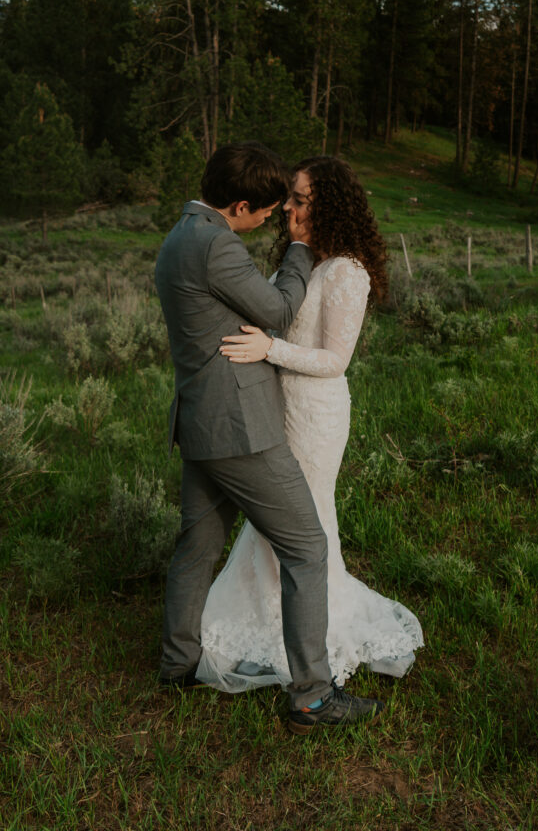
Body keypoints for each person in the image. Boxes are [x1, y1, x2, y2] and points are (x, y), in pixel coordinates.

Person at [154, 142, 383, 734]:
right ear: (239, 204)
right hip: (241, 429)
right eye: (268, 207)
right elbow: (279, 312)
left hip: (202, 423)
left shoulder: (178, 236)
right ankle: (311, 696)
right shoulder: (215, 245)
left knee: (197, 546)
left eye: (293, 204)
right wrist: (302, 250)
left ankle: (177, 665)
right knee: (307, 548)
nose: (275, 215)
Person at [196, 156, 423, 696]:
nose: (290, 211)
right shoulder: (308, 262)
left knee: (307, 523)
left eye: (301, 201)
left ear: (332, 207)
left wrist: (269, 348)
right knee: (273, 524)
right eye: (290, 200)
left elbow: (335, 359)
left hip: (316, 415)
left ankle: (310, 636)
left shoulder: (348, 270)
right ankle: (273, 626)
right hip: (280, 409)